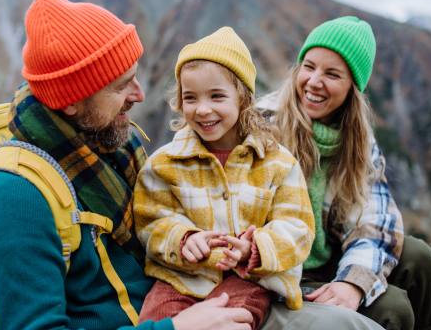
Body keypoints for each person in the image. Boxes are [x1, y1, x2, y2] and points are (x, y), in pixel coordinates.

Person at [0, 0, 384, 330]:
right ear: (72, 100)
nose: (140, 95)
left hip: (212, 294)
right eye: (121, 85)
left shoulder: (108, 149)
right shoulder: (15, 198)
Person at [256, 16, 431, 330]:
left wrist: (353, 282)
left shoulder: (358, 141)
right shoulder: (263, 124)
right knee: (393, 308)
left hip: (327, 259)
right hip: (279, 267)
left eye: (332, 74)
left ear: (351, 88)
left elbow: (375, 221)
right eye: (309, 66)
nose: (315, 81)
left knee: (419, 257)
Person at [133, 27, 315, 329]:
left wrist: (253, 249)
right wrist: (182, 239)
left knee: (230, 321)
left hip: (251, 278)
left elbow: (297, 227)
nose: (202, 109)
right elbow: (150, 219)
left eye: (217, 96)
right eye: (190, 98)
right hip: (181, 278)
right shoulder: (164, 164)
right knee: (156, 319)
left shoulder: (277, 162)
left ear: (243, 98)